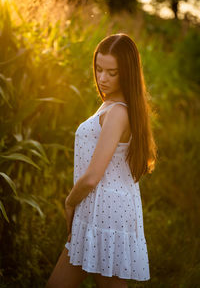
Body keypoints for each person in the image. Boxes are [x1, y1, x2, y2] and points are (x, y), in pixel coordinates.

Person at [46, 33, 157, 288]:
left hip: (106, 214)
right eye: (98, 69)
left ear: (127, 73)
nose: (102, 78)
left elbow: (93, 176)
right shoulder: (111, 105)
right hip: (97, 209)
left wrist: (69, 201)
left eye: (112, 72)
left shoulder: (118, 112)